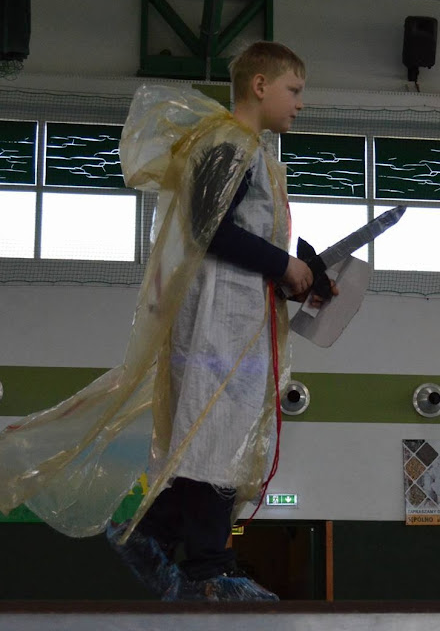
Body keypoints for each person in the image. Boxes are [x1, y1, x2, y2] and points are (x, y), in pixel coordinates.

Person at [107, 41, 338, 602]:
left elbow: (240, 233)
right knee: (216, 434)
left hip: (234, 317)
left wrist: (297, 272)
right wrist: (282, 264)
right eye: (294, 90)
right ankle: (209, 566)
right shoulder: (230, 142)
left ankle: (151, 533)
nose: (300, 103)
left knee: (212, 435)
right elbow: (209, 227)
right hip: (216, 321)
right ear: (260, 86)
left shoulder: (248, 149)